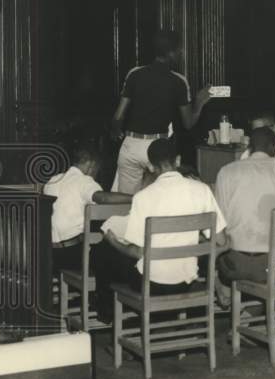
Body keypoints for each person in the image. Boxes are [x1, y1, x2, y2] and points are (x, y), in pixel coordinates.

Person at [92, 138, 228, 324]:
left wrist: (113, 241)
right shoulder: (202, 190)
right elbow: (221, 241)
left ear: (151, 167)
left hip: (151, 284)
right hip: (187, 281)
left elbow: (138, 251)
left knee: (105, 251)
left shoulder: (143, 197)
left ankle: (111, 317)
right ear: (178, 161)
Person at [213, 126, 275, 306]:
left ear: (249, 148)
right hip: (274, 266)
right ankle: (257, 312)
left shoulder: (226, 171)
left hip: (234, 265)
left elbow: (218, 225)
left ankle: (240, 305)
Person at [110, 30, 212, 195]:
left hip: (131, 145)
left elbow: (118, 117)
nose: (181, 53)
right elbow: (188, 123)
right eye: (179, 50)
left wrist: (116, 132)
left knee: (125, 203)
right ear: (171, 53)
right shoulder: (178, 81)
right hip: (157, 148)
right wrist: (199, 102)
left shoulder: (134, 74)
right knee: (159, 200)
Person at [43, 140, 130, 276]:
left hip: (50, 254)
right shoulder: (83, 181)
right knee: (117, 257)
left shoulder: (53, 180)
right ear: (91, 164)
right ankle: (101, 295)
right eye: (97, 169)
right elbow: (103, 198)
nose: (96, 173)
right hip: (71, 256)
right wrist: (136, 197)